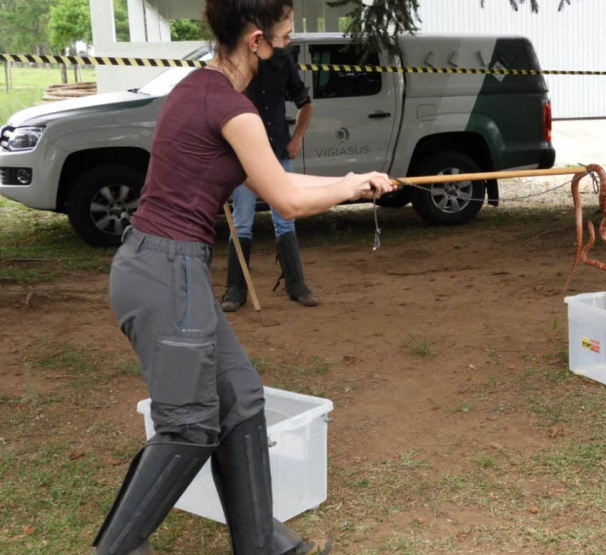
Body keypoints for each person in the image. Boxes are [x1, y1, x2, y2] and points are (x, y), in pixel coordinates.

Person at [93, 0, 396, 553]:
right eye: (283, 40)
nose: (286, 51)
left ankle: (261, 545)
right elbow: (286, 200)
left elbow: (273, 177)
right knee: (189, 427)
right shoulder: (232, 108)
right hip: (164, 272)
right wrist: (350, 190)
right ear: (255, 40)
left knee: (241, 400)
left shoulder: (199, 88)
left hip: (165, 267)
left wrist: (354, 178)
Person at [222, 40, 317, 311]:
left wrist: (297, 138)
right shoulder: (233, 59)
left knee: (286, 218)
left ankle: (296, 284)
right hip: (243, 155)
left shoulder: (283, 60)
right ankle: (235, 290)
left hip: (278, 151)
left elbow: (305, 104)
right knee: (241, 222)